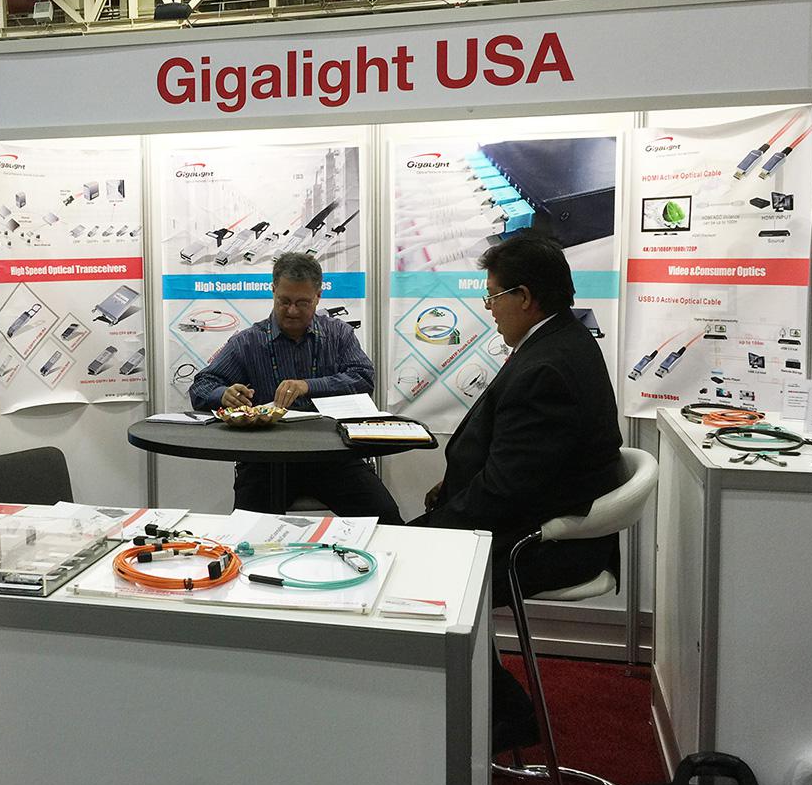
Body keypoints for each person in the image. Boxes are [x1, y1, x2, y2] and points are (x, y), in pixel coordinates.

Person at [413, 231, 623, 753]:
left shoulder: (547, 367)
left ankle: (498, 713)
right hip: (535, 520)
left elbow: (506, 491)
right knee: (410, 549)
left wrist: (429, 532)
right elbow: (519, 465)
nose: (489, 309)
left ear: (524, 297)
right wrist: (452, 490)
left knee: (408, 570)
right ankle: (489, 704)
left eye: (493, 297)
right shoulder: (561, 341)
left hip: (544, 543)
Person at [189, 252, 403, 525]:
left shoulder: (338, 335)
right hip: (265, 461)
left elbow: (363, 379)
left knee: (387, 521)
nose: (292, 311)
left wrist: (308, 386)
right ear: (273, 291)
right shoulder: (248, 342)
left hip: (333, 458)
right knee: (246, 532)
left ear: (318, 297)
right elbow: (201, 386)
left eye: (303, 303)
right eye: (284, 301)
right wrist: (224, 394)